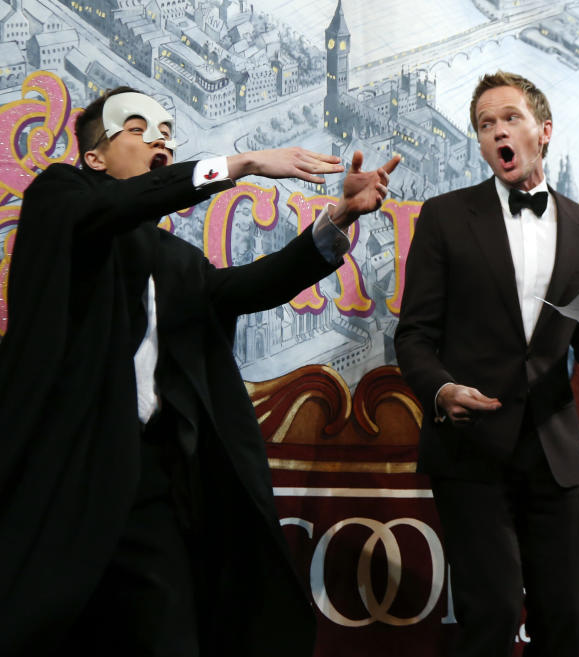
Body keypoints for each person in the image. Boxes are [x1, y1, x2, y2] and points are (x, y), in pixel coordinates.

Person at [0, 86, 399, 656]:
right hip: (62, 472)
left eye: (165, 129)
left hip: (149, 486)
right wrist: (244, 164)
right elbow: (108, 210)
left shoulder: (173, 259)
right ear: (93, 157)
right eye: (136, 128)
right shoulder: (59, 198)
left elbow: (248, 288)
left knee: (169, 638)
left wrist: (336, 221)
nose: (159, 137)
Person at [394, 71, 579, 657]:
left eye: (509, 118)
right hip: (473, 447)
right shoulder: (445, 217)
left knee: (564, 618)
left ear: (543, 132)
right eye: (485, 124)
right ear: (480, 144)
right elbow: (414, 337)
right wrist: (443, 390)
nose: (497, 130)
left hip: (553, 449)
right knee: (494, 613)